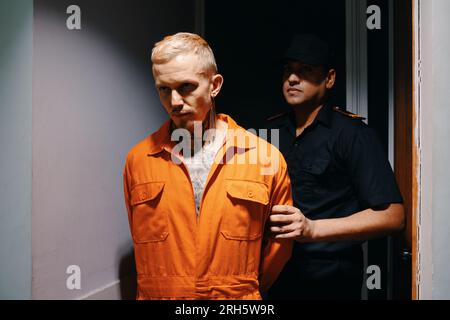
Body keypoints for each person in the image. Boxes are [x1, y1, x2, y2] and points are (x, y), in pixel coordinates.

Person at [122, 32, 293, 300]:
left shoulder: (263, 158)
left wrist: (240, 290)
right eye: (164, 89)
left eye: (186, 87)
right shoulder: (140, 159)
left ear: (214, 85)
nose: (175, 102)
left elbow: (280, 246)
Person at [266, 34, 405, 300]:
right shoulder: (271, 131)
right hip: (276, 274)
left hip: (330, 278)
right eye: (288, 70)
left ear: (329, 79)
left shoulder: (352, 134)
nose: (292, 79)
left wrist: (313, 229)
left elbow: (392, 216)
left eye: (305, 71)